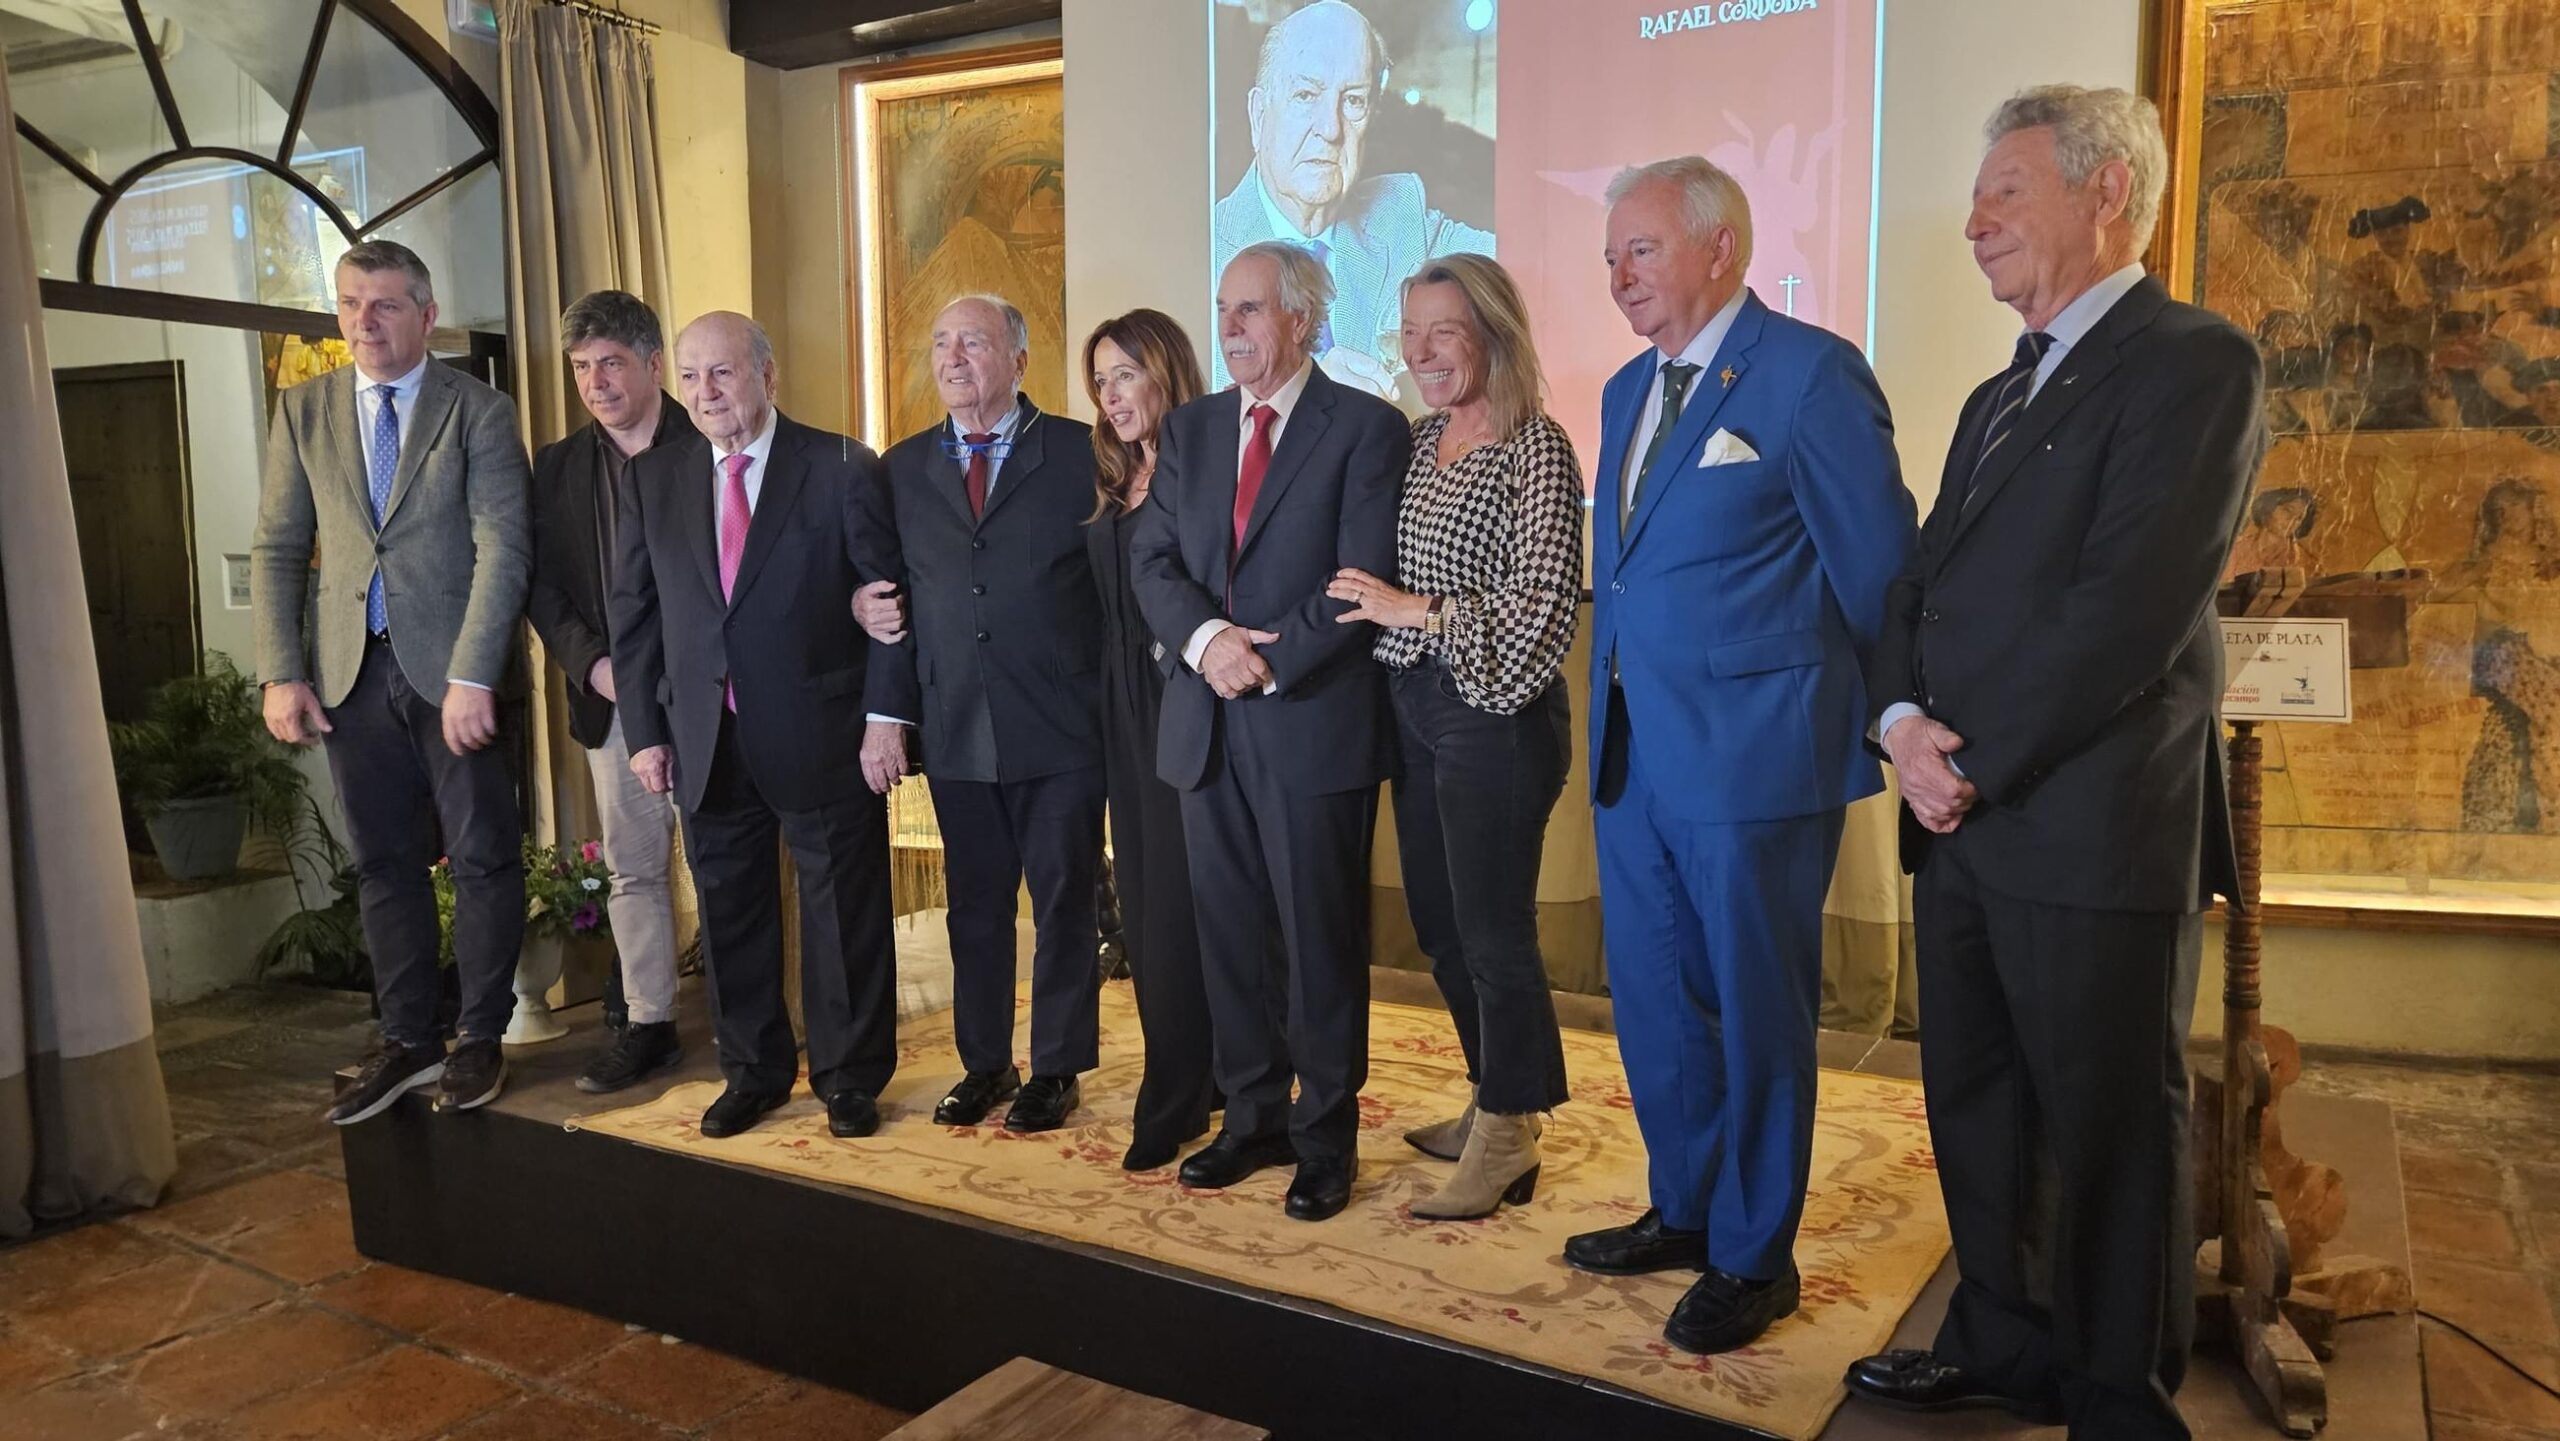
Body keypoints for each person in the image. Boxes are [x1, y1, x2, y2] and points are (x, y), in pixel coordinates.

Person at [1844, 86, 2263, 1441]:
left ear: (2105, 195)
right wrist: (1901, 728)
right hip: (1961, 815)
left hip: (2090, 825)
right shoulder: (1994, 392)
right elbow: (1920, 588)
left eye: (2004, 193)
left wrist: (1978, 759)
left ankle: (2111, 1394)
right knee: (1979, 1105)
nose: (1973, 223)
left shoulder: (2193, 362)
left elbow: (2127, 607)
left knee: (2108, 1132)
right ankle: (2006, 1342)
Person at [1574, 157, 1914, 1354]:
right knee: (1659, 1005)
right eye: (1610, 254)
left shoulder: (1810, 375)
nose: (1617, 275)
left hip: (1756, 760)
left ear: (1721, 247)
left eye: (1641, 250)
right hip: (1634, 756)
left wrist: (1903, 716)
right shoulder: (1623, 388)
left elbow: (1879, 569)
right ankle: (1685, 1209)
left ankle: (1754, 1255)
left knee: (1757, 1014)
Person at [1131, 241, 1410, 1221]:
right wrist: (1210, 644)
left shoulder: (1368, 427)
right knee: (1232, 937)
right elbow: (1153, 559)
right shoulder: (1194, 428)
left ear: (1300, 318)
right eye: (1223, 309)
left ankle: (1324, 1137)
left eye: (1249, 310)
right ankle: (1250, 1116)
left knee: (1317, 944)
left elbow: (1359, 576)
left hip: (1310, 724)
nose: (1231, 328)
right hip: (1208, 721)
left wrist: (1272, 655)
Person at [606, 312, 907, 1142]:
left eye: (724, 374)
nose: (706, 394)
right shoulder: (654, 479)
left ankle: (849, 1077)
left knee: (843, 913)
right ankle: (754, 1071)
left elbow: (886, 606)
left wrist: (885, 720)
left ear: (767, 376)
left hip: (823, 729)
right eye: (693, 377)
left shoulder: (842, 466)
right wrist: (645, 734)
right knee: (732, 913)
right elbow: (632, 620)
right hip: (705, 736)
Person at [1324, 254, 1581, 1220]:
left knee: (1492, 930)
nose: (1424, 353)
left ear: (1493, 333)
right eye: (1411, 331)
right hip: (1413, 708)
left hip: (1497, 713)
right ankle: (1494, 1092)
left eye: (1446, 331)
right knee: (1437, 923)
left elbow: (1545, 607)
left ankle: (1512, 1131)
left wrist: (1418, 609)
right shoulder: (1422, 438)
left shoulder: (1538, 448)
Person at [252, 239, 532, 1124]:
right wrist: (281, 671)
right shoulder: (304, 410)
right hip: (347, 676)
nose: (363, 321)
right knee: (381, 863)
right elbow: (279, 548)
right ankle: (408, 1037)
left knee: (484, 856)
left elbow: (504, 547)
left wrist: (473, 671)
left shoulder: (480, 411)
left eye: (383, 304)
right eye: (348, 304)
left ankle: (480, 1036)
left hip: (456, 679)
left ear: (426, 313)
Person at [861, 295, 1108, 1135]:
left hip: (1063, 722)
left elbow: (1116, 590)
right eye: (940, 342)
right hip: (956, 723)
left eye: (973, 341)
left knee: (1066, 899)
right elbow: (888, 600)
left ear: (1018, 358)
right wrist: (881, 685)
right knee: (975, 904)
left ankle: (1059, 1066)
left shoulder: (1081, 453)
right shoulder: (898, 470)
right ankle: (985, 1063)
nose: (953, 357)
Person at [525, 289, 697, 1095]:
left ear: (654, 365)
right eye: (581, 368)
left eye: (612, 364)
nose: (595, 382)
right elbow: (542, 588)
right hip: (611, 701)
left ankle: (747, 1018)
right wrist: (596, 667)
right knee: (633, 868)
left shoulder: (708, 445)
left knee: (720, 861)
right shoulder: (557, 466)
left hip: (707, 701)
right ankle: (650, 1023)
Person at [1080, 308, 1221, 1171]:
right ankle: (1194, 1077)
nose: (1109, 396)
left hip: (1190, 696)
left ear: (1165, 369)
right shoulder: (1111, 472)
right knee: (1147, 898)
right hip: (1120, 706)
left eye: (1125, 375)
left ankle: (1181, 1092)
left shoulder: (1209, 465)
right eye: (1100, 382)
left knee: (1190, 906)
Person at [1210, 0, 1492, 395]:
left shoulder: (1399, 213)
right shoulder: (1203, 250)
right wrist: (1310, 391)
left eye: (1353, 100)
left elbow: (1525, 263)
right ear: (1259, 115)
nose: (1330, 129)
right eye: (1306, 94)